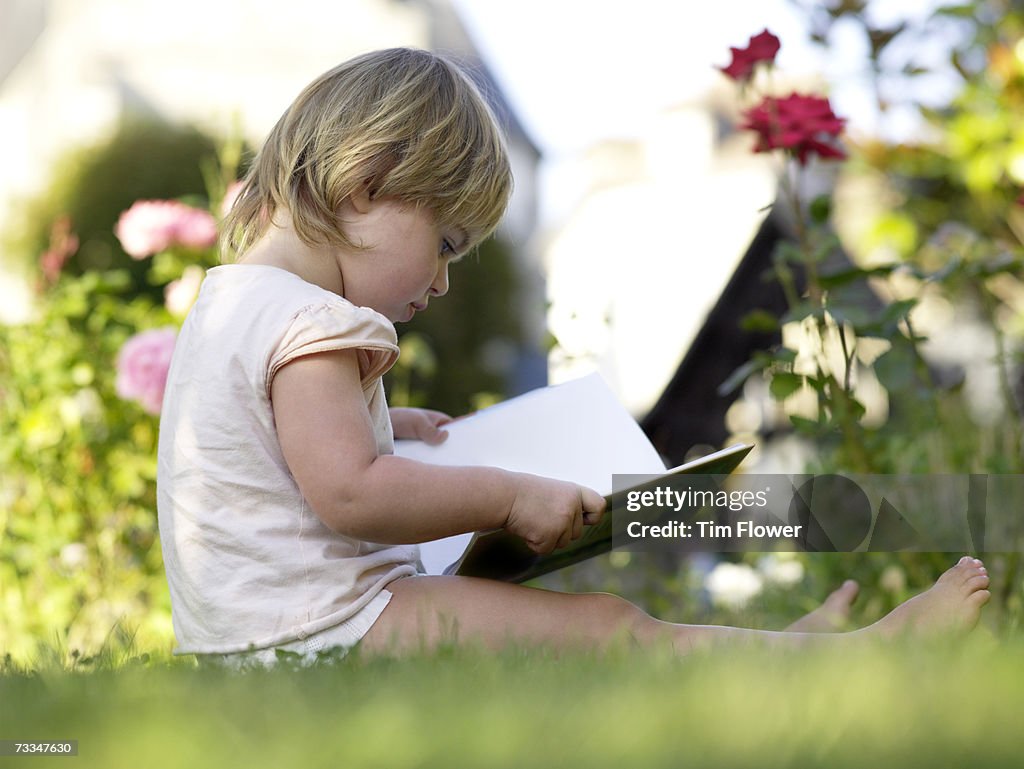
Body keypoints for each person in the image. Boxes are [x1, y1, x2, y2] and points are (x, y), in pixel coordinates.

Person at [156, 47, 990, 668]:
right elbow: (348, 491)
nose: (444, 281)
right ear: (367, 183)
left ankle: (776, 658)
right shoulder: (314, 322)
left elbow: (267, 449)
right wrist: (511, 493)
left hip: (255, 640)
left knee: (577, 628)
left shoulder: (230, 302)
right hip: (323, 632)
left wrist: (383, 421)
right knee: (604, 626)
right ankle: (841, 663)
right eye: (446, 243)